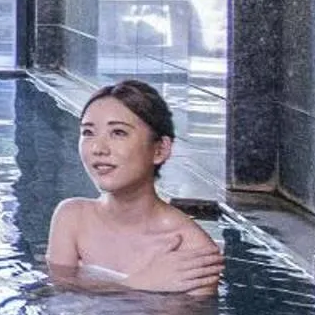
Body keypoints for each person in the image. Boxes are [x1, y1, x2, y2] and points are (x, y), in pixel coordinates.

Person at [46, 80, 224, 296]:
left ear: (160, 150)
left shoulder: (192, 250)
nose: (98, 148)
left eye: (118, 132)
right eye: (88, 132)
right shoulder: (72, 217)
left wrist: (96, 287)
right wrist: (135, 284)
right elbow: (54, 297)